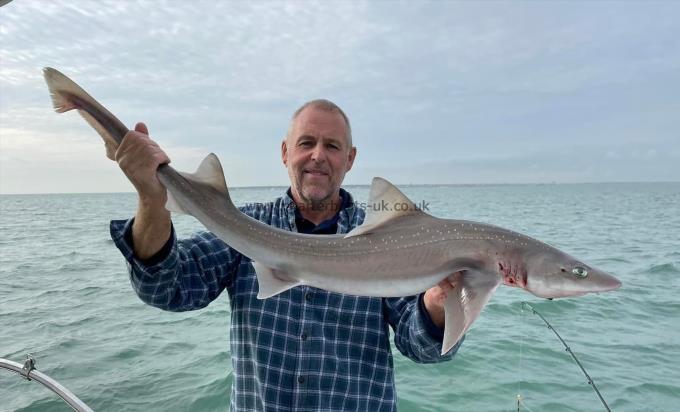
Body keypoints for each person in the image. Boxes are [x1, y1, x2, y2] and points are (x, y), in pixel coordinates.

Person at [110, 99, 463, 411]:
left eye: (333, 146)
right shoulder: (245, 227)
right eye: (306, 143)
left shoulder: (385, 241)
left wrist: (436, 306)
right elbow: (167, 288)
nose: (318, 155)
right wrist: (150, 199)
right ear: (284, 152)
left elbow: (424, 348)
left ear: (350, 159)